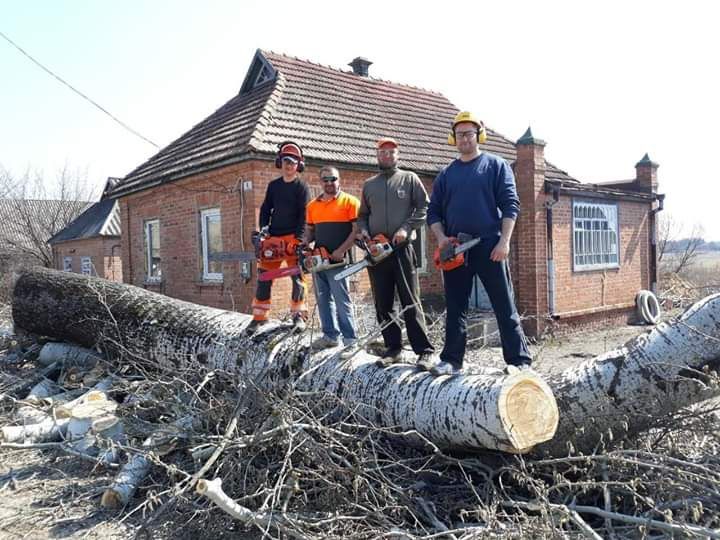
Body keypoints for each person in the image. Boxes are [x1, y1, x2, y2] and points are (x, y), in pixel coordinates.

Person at [427, 111, 533, 375]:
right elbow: (434, 213)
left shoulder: (496, 166)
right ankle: (452, 360)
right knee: (455, 307)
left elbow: (511, 205)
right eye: (460, 134)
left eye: (469, 133)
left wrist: (504, 242)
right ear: (454, 138)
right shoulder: (446, 174)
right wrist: (442, 240)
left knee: (503, 304)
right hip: (455, 249)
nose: (464, 138)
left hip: (489, 244)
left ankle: (518, 361)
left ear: (479, 135)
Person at [357, 137, 436, 367]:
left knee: (410, 300)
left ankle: (424, 350)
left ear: (397, 155)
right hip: (377, 251)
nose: (387, 156)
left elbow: (424, 206)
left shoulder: (409, 179)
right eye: (382, 152)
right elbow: (362, 216)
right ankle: (393, 348)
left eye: (391, 152)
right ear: (377, 155)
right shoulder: (369, 184)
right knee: (383, 303)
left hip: (401, 249)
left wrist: (405, 227)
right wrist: (363, 231)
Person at [247, 141, 310, 333]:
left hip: (292, 238)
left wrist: (299, 240)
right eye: (285, 161)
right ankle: (259, 317)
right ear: (280, 163)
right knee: (264, 277)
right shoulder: (274, 186)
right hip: (273, 237)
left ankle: (298, 316)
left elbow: (304, 214)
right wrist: (264, 230)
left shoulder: (302, 187)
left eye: (292, 162)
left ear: (298, 165)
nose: (289, 165)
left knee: (297, 278)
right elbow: (266, 208)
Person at [305, 166, 360, 357]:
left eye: (333, 179)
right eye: (325, 180)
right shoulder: (312, 205)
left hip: (339, 261)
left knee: (341, 300)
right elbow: (310, 231)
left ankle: (351, 340)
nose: (329, 183)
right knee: (323, 299)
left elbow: (356, 231)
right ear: (320, 182)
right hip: (319, 259)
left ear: (339, 180)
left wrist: (341, 251)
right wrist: (304, 244)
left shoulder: (350, 202)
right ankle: (330, 335)